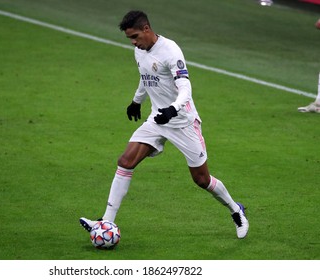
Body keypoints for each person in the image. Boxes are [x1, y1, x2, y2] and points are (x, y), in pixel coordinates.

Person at [80, 11, 249, 239]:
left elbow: (185, 89)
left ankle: (235, 210)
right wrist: (136, 101)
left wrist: (172, 110)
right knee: (125, 161)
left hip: (182, 122)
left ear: (147, 29)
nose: (133, 42)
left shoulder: (171, 52)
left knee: (202, 179)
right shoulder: (139, 50)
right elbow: (145, 74)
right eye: (130, 38)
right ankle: (106, 222)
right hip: (157, 120)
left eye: (135, 36)